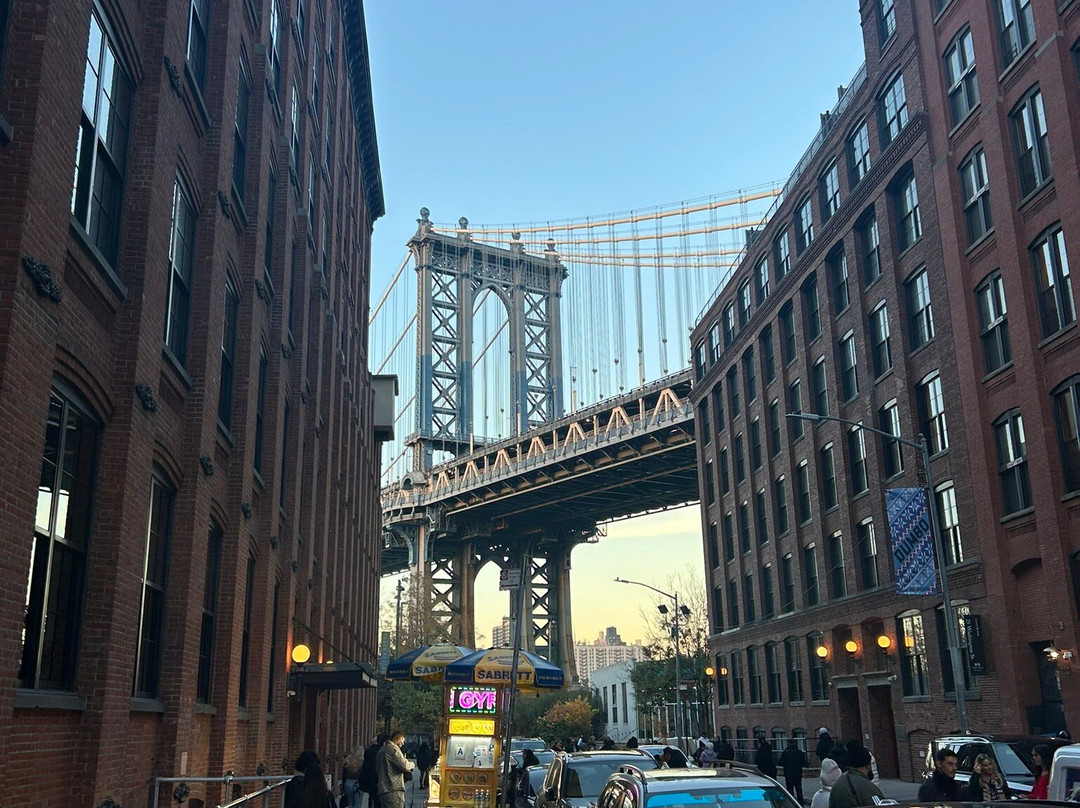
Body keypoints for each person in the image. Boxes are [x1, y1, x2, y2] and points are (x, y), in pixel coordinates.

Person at [376, 731, 416, 808]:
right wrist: (412, 764)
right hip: (393, 789)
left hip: (383, 788)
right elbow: (405, 765)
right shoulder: (393, 750)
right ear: (397, 739)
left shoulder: (382, 750)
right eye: (402, 741)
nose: (403, 744)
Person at [359, 733, 388, 808]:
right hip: (379, 783)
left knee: (372, 800)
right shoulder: (382, 753)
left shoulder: (369, 752)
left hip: (370, 781)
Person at [779, 739, 808, 803]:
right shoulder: (799, 752)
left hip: (788, 774)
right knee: (799, 790)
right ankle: (800, 803)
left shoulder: (785, 752)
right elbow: (804, 763)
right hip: (797, 773)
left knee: (790, 790)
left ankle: (792, 803)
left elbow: (780, 762)